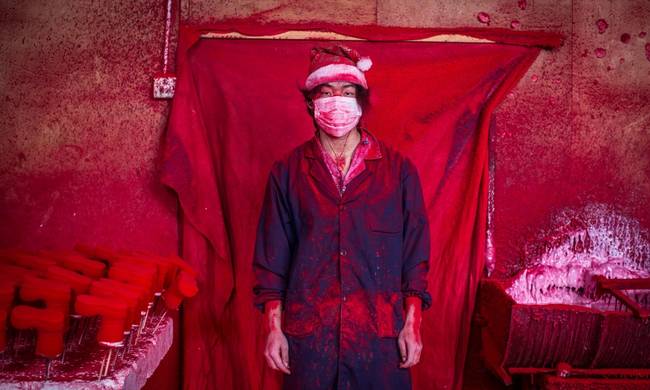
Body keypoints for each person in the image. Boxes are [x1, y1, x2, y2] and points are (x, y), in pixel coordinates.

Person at [252, 44, 432, 389]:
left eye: (348, 93)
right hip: (310, 338)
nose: (338, 101)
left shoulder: (399, 172)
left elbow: (415, 256)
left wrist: (413, 323)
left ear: (361, 103)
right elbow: (271, 258)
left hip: (379, 337)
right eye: (326, 93)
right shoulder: (287, 173)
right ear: (310, 103)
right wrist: (273, 328)